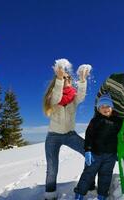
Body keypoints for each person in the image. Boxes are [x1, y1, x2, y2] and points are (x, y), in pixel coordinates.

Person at [43, 59, 89, 200]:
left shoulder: (73, 97)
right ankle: (50, 195)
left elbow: (81, 96)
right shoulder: (53, 97)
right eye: (65, 77)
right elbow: (57, 95)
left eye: (68, 78)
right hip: (53, 137)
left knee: (89, 153)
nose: (67, 79)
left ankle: (89, 183)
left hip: (70, 135)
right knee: (52, 168)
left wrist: (82, 80)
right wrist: (59, 78)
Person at [74, 94, 123, 200]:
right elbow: (89, 136)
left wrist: (122, 151)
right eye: (102, 106)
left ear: (112, 107)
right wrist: (88, 151)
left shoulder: (118, 121)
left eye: (108, 106)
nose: (105, 108)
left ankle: (102, 195)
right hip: (95, 154)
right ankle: (79, 194)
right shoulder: (95, 121)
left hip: (111, 155)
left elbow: (122, 136)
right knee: (88, 174)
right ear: (98, 109)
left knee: (106, 176)